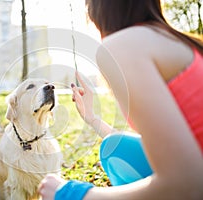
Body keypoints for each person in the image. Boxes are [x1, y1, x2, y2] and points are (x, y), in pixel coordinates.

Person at [38, 0, 203, 199]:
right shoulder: (175, 39)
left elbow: (188, 182)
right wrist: (93, 118)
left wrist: (72, 194)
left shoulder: (122, 45)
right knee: (115, 147)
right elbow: (169, 145)